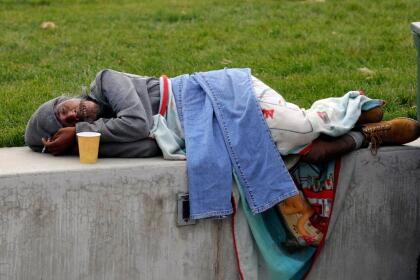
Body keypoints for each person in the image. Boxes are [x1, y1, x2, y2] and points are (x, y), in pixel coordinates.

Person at [24, 69, 420, 246]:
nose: (75, 115)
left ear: (70, 97)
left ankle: (347, 107)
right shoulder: (101, 140)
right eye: (64, 122)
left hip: (224, 97)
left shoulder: (107, 82)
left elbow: (137, 123)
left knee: (298, 130)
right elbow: (150, 145)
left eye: (66, 108)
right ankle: (364, 133)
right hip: (213, 134)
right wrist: (84, 141)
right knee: (304, 152)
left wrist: (77, 134)